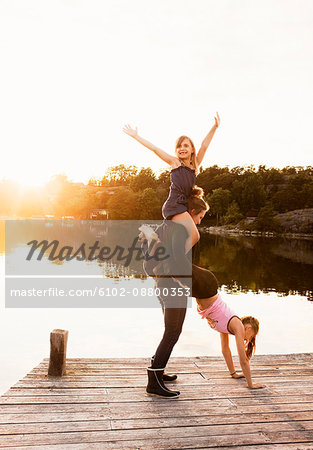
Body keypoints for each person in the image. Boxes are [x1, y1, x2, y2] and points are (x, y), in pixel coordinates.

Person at [123, 113, 220, 252]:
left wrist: (214, 127)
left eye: (186, 145)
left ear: (192, 150)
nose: (182, 148)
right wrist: (136, 136)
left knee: (182, 237)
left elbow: (204, 145)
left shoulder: (194, 166)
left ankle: (159, 252)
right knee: (194, 236)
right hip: (174, 205)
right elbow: (155, 149)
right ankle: (174, 262)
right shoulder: (175, 163)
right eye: (179, 146)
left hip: (182, 207)